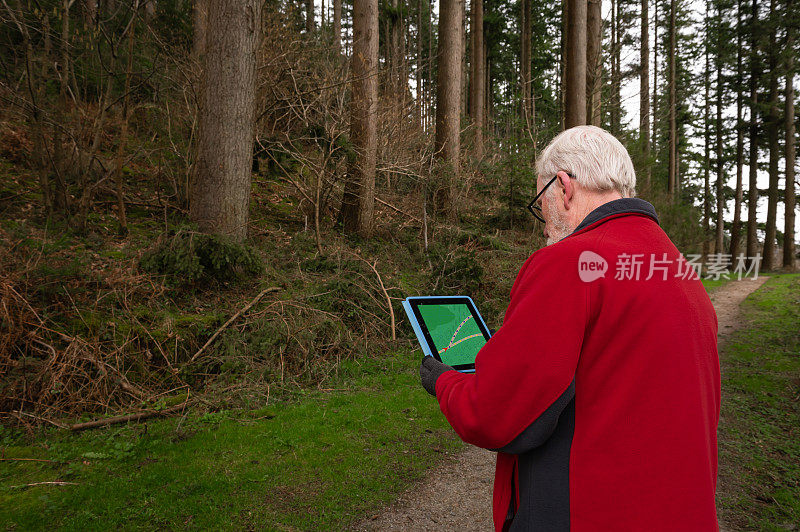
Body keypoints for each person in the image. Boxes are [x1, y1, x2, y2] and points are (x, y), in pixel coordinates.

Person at [419, 125, 720, 531]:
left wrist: (445, 382)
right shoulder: (678, 269)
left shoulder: (569, 264)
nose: (543, 222)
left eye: (539, 201)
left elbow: (495, 414)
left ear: (563, 187)